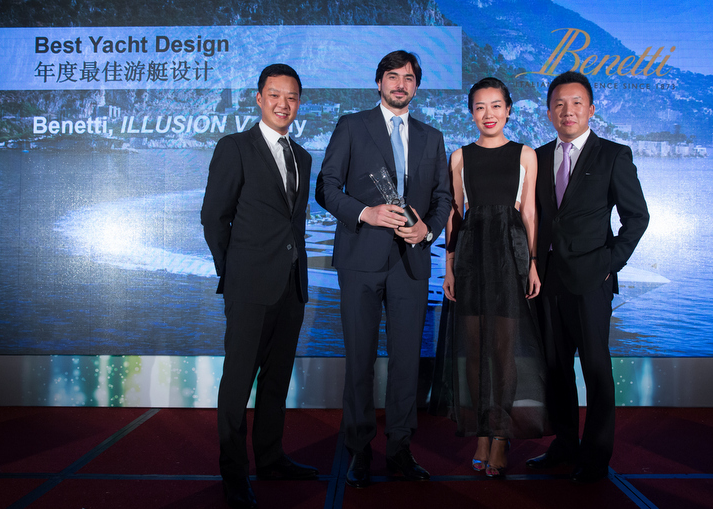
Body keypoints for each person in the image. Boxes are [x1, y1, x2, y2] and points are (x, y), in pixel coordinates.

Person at [315, 50, 451, 488]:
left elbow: (443, 198)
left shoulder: (432, 137)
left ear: (417, 86)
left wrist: (428, 230)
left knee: (407, 361)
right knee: (360, 359)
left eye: (408, 78)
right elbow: (326, 187)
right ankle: (358, 449)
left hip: (411, 262)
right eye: (392, 76)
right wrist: (365, 213)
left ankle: (400, 448)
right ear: (379, 83)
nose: (400, 84)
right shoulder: (352, 126)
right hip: (360, 259)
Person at [201, 63, 318, 509]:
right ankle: (234, 476)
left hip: (291, 285)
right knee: (237, 384)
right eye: (274, 95)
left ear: (299, 103)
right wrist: (233, 272)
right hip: (249, 286)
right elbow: (214, 217)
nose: (283, 104)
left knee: (276, 380)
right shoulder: (234, 147)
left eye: (291, 97)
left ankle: (270, 459)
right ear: (259, 98)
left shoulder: (303, 156)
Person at [526, 71, 649, 483]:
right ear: (549, 112)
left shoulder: (613, 155)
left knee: (596, 370)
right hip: (547, 280)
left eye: (576, 103)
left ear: (591, 109)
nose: (568, 111)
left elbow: (637, 217)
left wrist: (610, 262)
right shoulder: (538, 157)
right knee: (556, 368)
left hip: (592, 281)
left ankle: (595, 458)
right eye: (559, 104)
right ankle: (564, 445)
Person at [441, 77, 550, 478]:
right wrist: (449, 266)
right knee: (473, 351)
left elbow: (530, 212)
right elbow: (454, 213)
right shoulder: (459, 156)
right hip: (471, 258)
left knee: (503, 351)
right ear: (471, 113)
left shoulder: (525, 154)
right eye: (480, 107)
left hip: (509, 256)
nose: (488, 114)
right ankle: (481, 432)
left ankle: (501, 435)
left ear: (508, 110)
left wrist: (532, 262)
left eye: (496, 106)